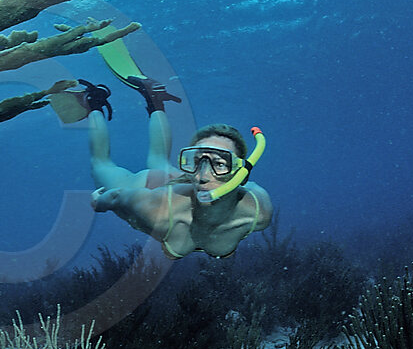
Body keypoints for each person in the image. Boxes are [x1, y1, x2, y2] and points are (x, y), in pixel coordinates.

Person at [69, 71, 272, 260]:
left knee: (159, 159)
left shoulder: (258, 212)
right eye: (197, 160)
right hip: (150, 185)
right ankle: (94, 102)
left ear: (241, 173)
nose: (202, 175)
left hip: (175, 183)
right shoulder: (157, 209)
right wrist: (98, 203)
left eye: (218, 164)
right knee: (100, 164)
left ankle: (154, 99)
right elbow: (116, 196)